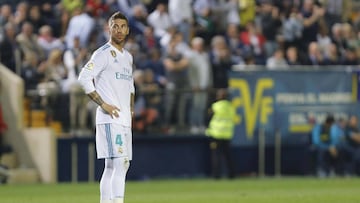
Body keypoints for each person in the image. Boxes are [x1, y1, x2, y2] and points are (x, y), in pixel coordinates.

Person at [78, 12, 134, 203]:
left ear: (127, 30)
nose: (119, 30)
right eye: (115, 26)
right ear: (109, 28)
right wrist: (103, 104)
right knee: (119, 163)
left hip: (124, 118)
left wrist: (131, 110)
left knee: (115, 165)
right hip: (110, 118)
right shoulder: (103, 53)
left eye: (122, 26)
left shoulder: (127, 57)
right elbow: (84, 77)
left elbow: (131, 87)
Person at [206, 89, 236, 179]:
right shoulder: (231, 107)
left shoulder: (215, 106)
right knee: (228, 156)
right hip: (227, 134)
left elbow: (208, 118)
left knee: (216, 155)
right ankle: (231, 174)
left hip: (216, 134)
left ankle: (216, 175)